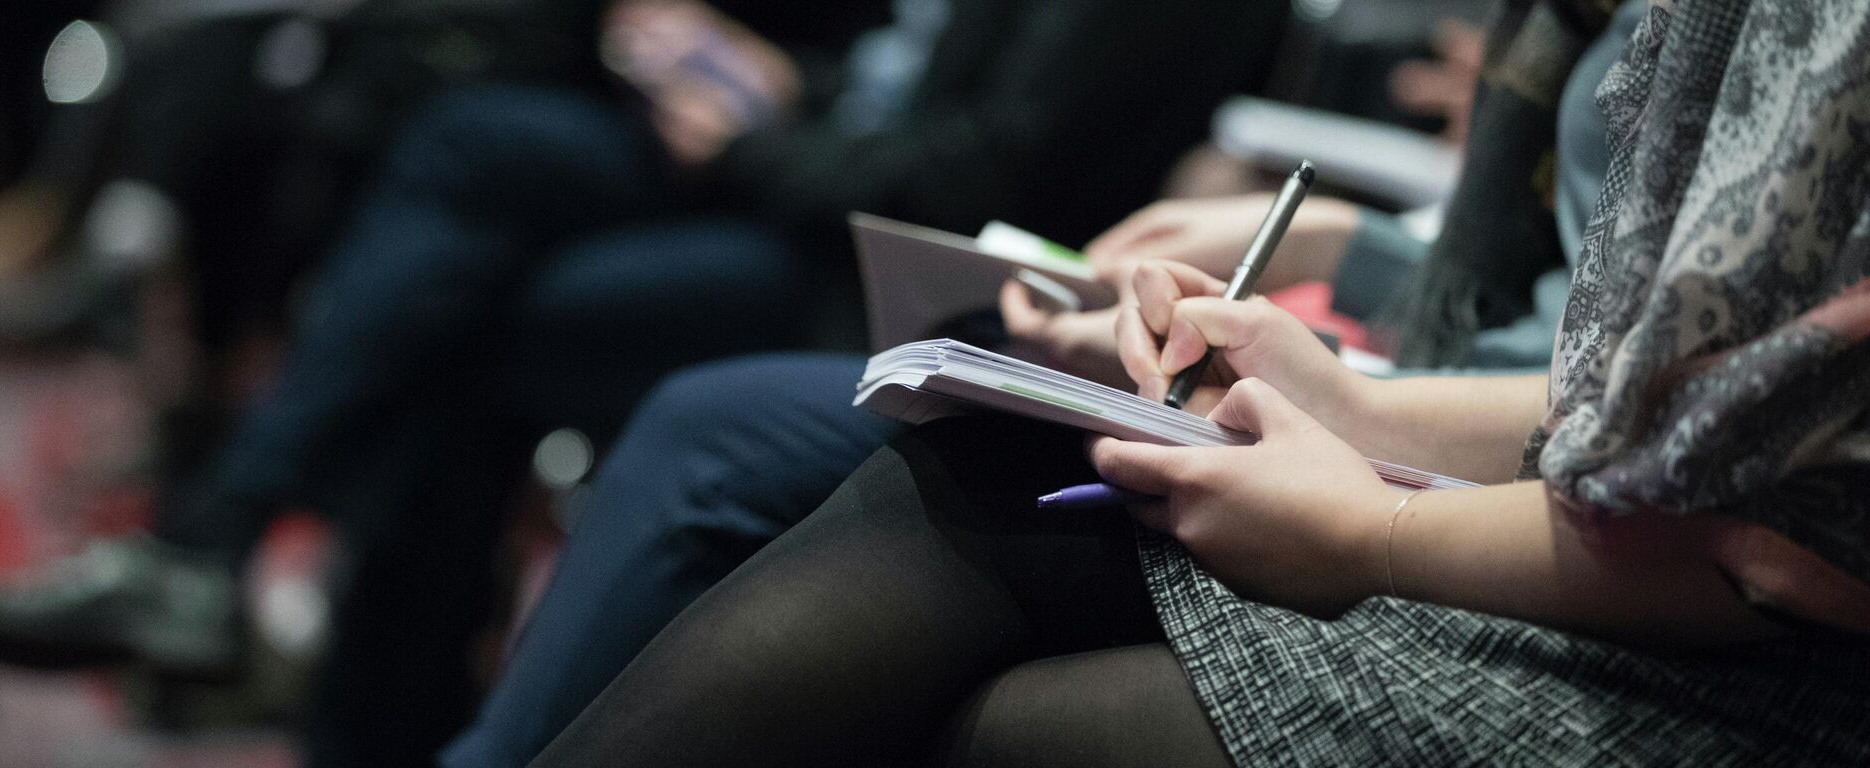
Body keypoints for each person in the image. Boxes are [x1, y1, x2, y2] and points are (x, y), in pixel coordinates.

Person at [528, 0, 1870, 764]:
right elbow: (1629, 389)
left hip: (1734, 664)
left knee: (975, 720)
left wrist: (1373, 523)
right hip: (1554, 487)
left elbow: (1751, 520)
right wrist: (1336, 389)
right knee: (966, 465)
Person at [0, 0, 1288, 764]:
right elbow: (891, 75)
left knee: (486, 313)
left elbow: (965, 181)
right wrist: (770, 85)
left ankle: (251, 596)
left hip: (918, 279)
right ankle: (269, 616)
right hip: (811, 181)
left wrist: (756, 135)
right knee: (453, 145)